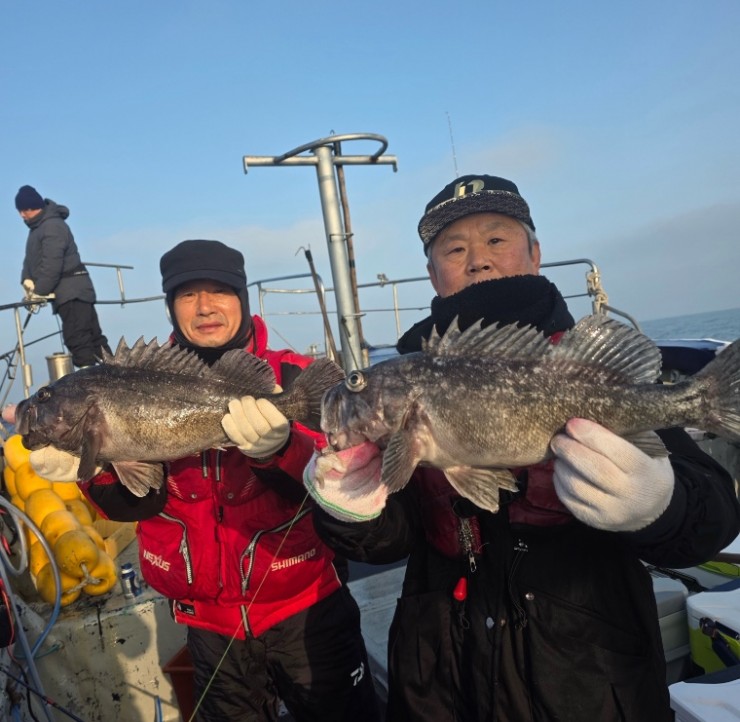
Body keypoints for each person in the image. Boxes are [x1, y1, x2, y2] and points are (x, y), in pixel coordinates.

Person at [304, 175, 740, 721]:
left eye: (496, 239)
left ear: (535, 254)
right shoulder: (409, 383)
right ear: (433, 274)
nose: (478, 260)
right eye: (455, 250)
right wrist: (348, 506)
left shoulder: (580, 361)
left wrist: (661, 504)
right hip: (441, 677)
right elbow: (388, 544)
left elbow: (712, 519)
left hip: (587, 678)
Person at [30, 239, 381, 722]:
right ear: (171, 307)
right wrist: (90, 466)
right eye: (187, 294)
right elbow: (134, 505)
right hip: (209, 626)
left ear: (242, 297)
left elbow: (345, 487)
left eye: (219, 290)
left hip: (307, 610)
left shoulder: (291, 374)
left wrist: (282, 450)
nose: (204, 306)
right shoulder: (132, 378)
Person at [14, 184, 111, 368]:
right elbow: (30, 259)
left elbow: (52, 264)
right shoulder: (37, 228)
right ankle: (115, 374)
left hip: (72, 293)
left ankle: (91, 381)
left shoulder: (52, 226)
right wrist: (26, 280)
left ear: (32, 208)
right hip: (72, 292)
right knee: (93, 338)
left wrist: (40, 291)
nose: (22, 215)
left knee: (79, 338)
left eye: (24, 210)